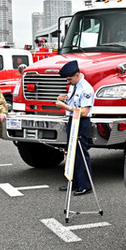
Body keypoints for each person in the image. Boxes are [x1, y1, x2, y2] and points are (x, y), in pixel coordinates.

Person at [55, 60, 95, 196]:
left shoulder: (86, 88)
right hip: (73, 120)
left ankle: (85, 185)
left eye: (69, 79)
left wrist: (63, 106)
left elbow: (83, 111)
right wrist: (64, 98)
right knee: (71, 151)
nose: (68, 82)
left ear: (77, 75)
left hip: (82, 121)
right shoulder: (75, 85)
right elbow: (74, 101)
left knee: (80, 153)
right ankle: (74, 182)